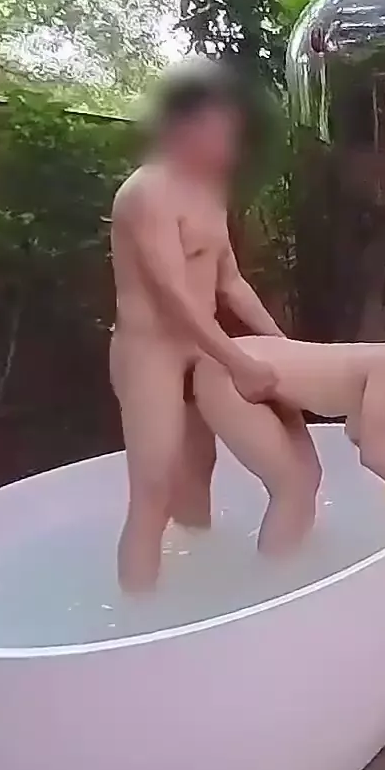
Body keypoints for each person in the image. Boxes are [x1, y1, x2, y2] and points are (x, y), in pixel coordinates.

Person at [109, 58, 285, 593]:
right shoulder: (145, 193)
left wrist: (283, 345)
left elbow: (231, 282)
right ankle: (137, 617)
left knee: (200, 470)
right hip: (151, 353)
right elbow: (173, 297)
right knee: (155, 487)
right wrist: (237, 360)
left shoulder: (209, 191)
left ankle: (196, 593)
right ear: (187, 127)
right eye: (223, 130)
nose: (233, 144)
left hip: (201, 348)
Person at [197, 290, 385, 512]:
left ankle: (290, 564)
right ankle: (277, 570)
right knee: (293, 490)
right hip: (233, 370)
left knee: (305, 484)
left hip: (263, 372)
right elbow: (373, 454)